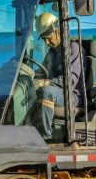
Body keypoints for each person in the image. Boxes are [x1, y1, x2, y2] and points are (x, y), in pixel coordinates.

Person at [34, 12, 86, 141]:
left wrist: (46, 82)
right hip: (58, 93)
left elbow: (71, 80)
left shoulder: (74, 49)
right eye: (43, 38)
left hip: (72, 96)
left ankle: (46, 136)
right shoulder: (52, 52)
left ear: (57, 31)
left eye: (48, 37)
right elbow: (42, 71)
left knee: (46, 91)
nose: (46, 42)